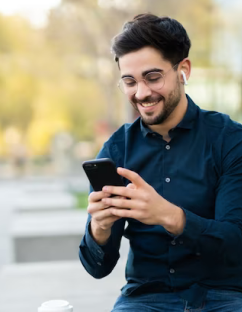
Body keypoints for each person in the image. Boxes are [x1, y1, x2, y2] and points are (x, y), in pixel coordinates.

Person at [79, 13, 242, 312]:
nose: (141, 93)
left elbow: (236, 243)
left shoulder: (230, 141)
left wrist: (171, 216)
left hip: (224, 296)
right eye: (129, 82)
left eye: (153, 78)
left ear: (183, 70)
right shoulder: (115, 150)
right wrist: (99, 230)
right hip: (145, 298)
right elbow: (97, 268)